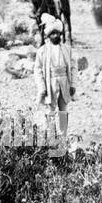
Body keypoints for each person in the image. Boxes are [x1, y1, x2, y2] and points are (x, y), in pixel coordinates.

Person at [33, 14, 77, 158]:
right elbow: (38, 70)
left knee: (63, 109)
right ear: (48, 36)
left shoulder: (67, 49)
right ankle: (51, 140)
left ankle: (63, 139)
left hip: (64, 80)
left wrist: (73, 84)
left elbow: (73, 67)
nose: (55, 35)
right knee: (50, 110)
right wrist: (42, 88)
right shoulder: (43, 51)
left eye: (57, 33)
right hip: (50, 81)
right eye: (52, 33)